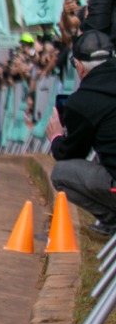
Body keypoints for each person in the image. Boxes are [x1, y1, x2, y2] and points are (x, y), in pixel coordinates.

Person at [50, 30, 116, 237]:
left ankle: (111, 221)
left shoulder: (82, 101)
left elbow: (71, 153)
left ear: (78, 67)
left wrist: (56, 137)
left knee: (61, 173)